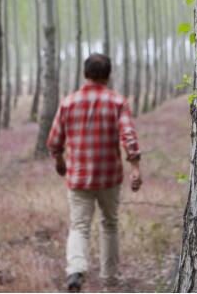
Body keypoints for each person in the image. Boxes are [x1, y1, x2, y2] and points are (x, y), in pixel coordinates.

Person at [47, 53, 142, 292]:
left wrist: (59, 160)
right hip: (109, 176)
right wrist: (136, 168)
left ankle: (76, 270)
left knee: (79, 225)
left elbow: (54, 140)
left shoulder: (68, 102)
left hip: (78, 176)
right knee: (109, 224)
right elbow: (129, 136)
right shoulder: (118, 102)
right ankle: (109, 277)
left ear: (84, 74)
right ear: (109, 76)